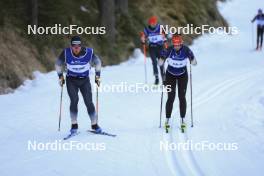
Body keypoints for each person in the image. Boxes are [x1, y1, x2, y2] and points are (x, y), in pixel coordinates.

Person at [55, 36, 102, 134]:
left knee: (89, 102)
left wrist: (97, 76)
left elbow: (98, 62)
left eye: (78, 46)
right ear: (71, 46)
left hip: (84, 80)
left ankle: (94, 124)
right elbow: (58, 64)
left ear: (81, 45)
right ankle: (74, 125)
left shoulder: (88, 52)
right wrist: (60, 76)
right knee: (74, 100)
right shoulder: (66, 53)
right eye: (74, 46)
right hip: (71, 80)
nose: (76, 48)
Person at [159, 35, 197, 129]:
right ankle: (167, 119)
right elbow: (161, 59)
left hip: (182, 75)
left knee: (182, 97)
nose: (176, 47)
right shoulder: (169, 49)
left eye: (178, 45)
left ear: (181, 44)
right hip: (170, 75)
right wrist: (162, 60)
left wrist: (192, 60)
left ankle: (183, 118)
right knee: (171, 97)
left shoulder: (186, 50)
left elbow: (194, 61)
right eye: (175, 45)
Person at [140, 16, 170, 85]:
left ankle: (164, 79)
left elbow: (167, 34)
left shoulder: (160, 27)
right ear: (149, 23)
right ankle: (156, 78)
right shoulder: (147, 29)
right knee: (154, 62)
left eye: (154, 23)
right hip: (152, 47)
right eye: (151, 23)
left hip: (160, 47)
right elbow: (143, 37)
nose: (153, 24)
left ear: (156, 23)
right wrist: (143, 39)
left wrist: (165, 35)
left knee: (161, 62)